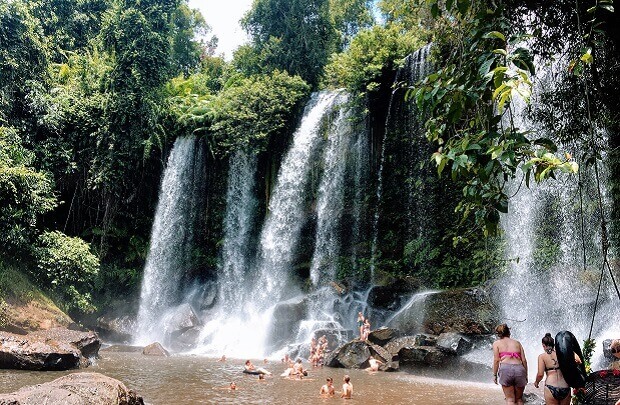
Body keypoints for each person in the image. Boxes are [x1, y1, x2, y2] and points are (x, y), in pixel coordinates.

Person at [493, 324, 528, 405]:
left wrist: (494, 375)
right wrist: (525, 375)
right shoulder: (517, 343)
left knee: (510, 400)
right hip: (519, 369)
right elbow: (524, 360)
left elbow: (496, 360)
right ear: (509, 332)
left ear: (499, 334)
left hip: (506, 369)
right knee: (519, 399)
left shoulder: (496, 343)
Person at [534, 333, 571, 405]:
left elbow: (540, 374)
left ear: (543, 345)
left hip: (551, 387)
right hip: (565, 386)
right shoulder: (562, 354)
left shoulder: (542, 357)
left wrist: (536, 382)